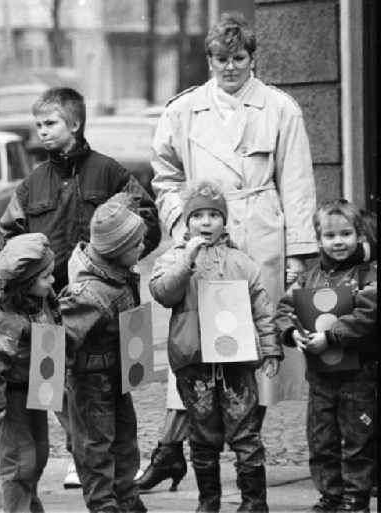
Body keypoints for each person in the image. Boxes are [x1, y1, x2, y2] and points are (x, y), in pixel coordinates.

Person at [145, 12, 318, 492]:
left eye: (239, 58)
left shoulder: (280, 109)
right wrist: (183, 225)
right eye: (221, 59)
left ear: (253, 57)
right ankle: (173, 449)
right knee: (196, 343)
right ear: (209, 60)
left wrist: (298, 252)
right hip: (201, 240)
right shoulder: (183, 110)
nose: (230, 68)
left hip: (258, 233)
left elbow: (298, 183)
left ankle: (247, 447)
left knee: (252, 350)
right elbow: (164, 174)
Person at [0, 86, 161, 488]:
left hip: (106, 302)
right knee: (52, 382)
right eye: (38, 125)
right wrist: (25, 278)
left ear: (75, 123)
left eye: (50, 123)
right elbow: (6, 235)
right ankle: (78, 453)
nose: (43, 132)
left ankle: (122, 463)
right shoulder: (33, 183)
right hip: (50, 301)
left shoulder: (110, 173)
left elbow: (149, 225)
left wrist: (119, 265)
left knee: (114, 386)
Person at [149, 181, 281, 513]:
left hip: (237, 363)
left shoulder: (242, 261)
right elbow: (163, 293)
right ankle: (209, 501)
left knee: (246, 433)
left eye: (213, 215)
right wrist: (186, 262)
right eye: (198, 216)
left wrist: (270, 347)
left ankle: (254, 502)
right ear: (186, 220)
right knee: (202, 436)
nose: (206, 223)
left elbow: (262, 308)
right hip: (194, 361)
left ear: (225, 220)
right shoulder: (174, 257)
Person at [274, 199, 377, 513]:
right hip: (320, 378)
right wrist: (292, 334)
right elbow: (284, 310)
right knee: (322, 440)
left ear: (359, 236)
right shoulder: (309, 277)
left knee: (358, 439)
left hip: (359, 376)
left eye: (346, 234)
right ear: (318, 240)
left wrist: (331, 336)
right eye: (330, 236)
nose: (338, 242)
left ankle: (355, 497)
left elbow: (369, 314)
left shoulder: (368, 276)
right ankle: (330, 494)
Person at [58, 197, 147, 513]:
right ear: (115, 249)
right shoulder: (90, 294)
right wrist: (49, 390)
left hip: (116, 373)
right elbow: (57, 343)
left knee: (125, 440)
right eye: (136, 243)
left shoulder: (118, 272)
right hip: (91, 382)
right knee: (95, 448)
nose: (143, 247)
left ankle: (126, 498)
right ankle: (103, 505)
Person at [0, 233, 59, 513]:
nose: (52, 281)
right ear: (25, 284)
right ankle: (17, 507)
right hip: (11, 398)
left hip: (37, 388)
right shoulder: (3, 317)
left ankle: (29, 503)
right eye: (45, 277)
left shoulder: (43, 301)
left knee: (39, 453)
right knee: (18, 461)